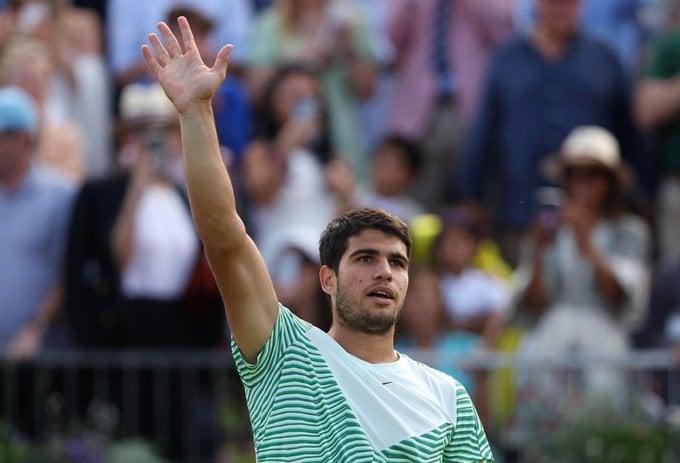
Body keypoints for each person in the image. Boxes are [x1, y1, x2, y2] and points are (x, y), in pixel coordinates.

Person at [142, 17, 494, 461]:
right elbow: (225, 240)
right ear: (326, 278)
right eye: (365, 258)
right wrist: (195, 112)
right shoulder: (284, 353)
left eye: (397, 262)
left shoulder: (448, 395)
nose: (384, 271)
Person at [459, 0, 639, 266]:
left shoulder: (604, 57)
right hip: (519, 210)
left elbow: (629, 134)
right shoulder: (507, 57)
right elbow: (484, 132)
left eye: (568, 3)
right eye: (552, 2)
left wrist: (636, 197)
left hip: (595, 221)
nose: (560, 8)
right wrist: (470, 196)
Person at [0, 85, 76, 359]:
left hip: (39, 354)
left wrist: (35, 327)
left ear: (23, 140)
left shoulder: (61, 194)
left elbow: (66, 272)